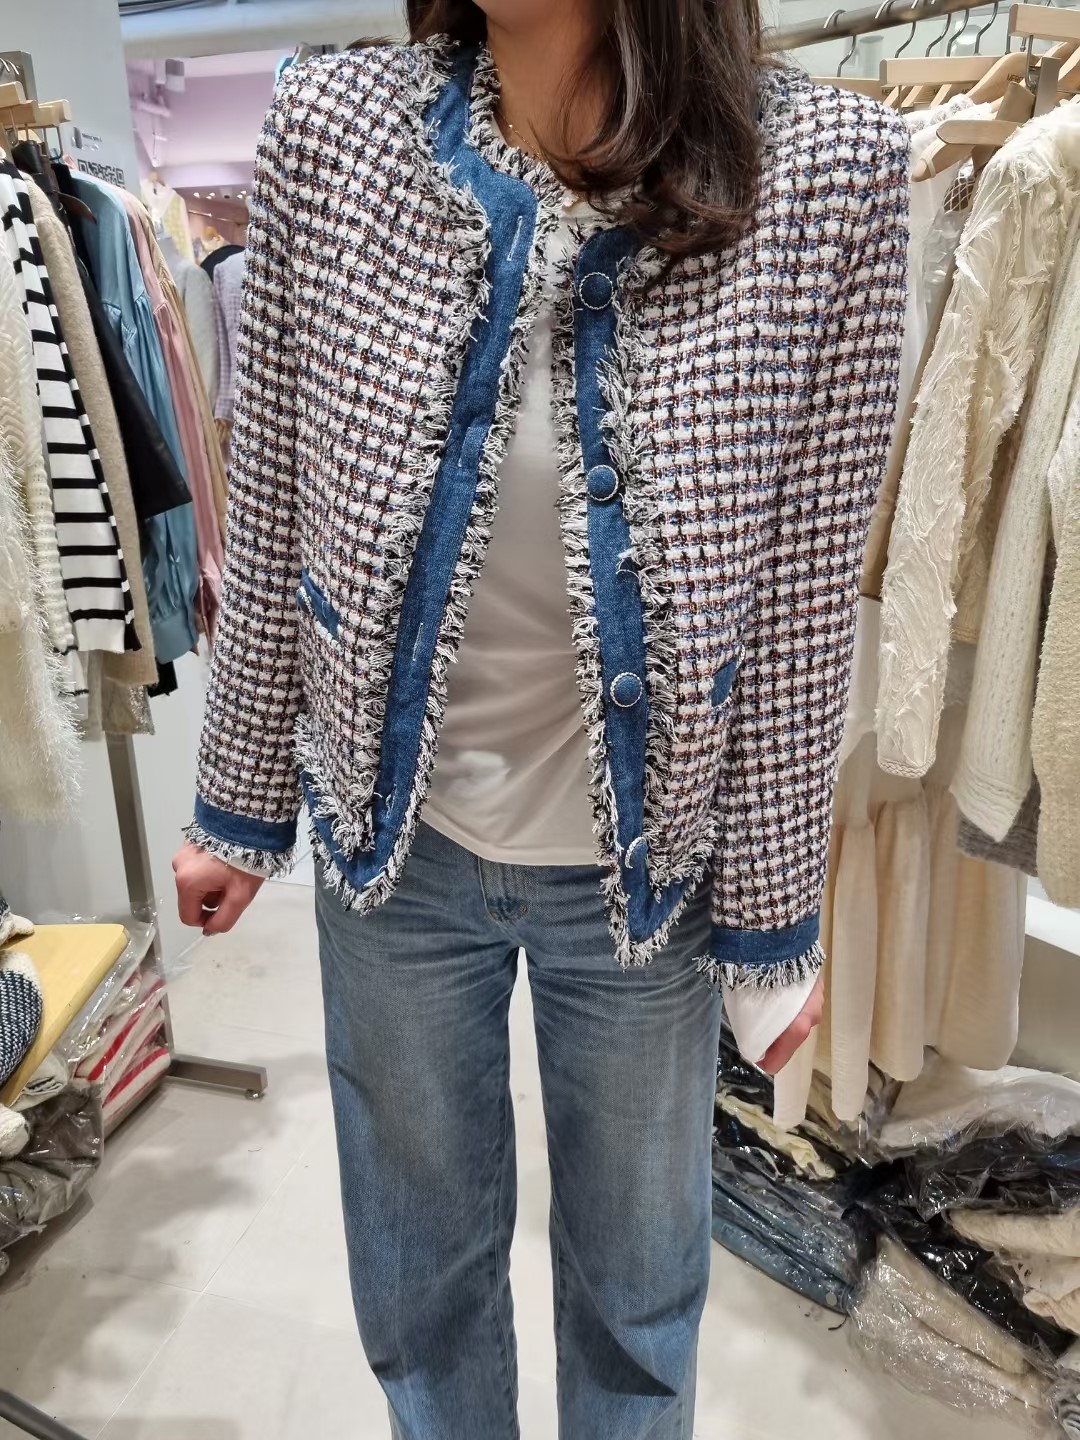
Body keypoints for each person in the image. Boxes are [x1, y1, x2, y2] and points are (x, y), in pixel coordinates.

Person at [173, 1, 908, 1434]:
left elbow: (807, 583)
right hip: (396, 852)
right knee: (419, 1276)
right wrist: (240, 794)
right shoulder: (336, 128)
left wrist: (771, 915)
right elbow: (271, 488)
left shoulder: (828, 171)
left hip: (644, 874)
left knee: (636, 1294)